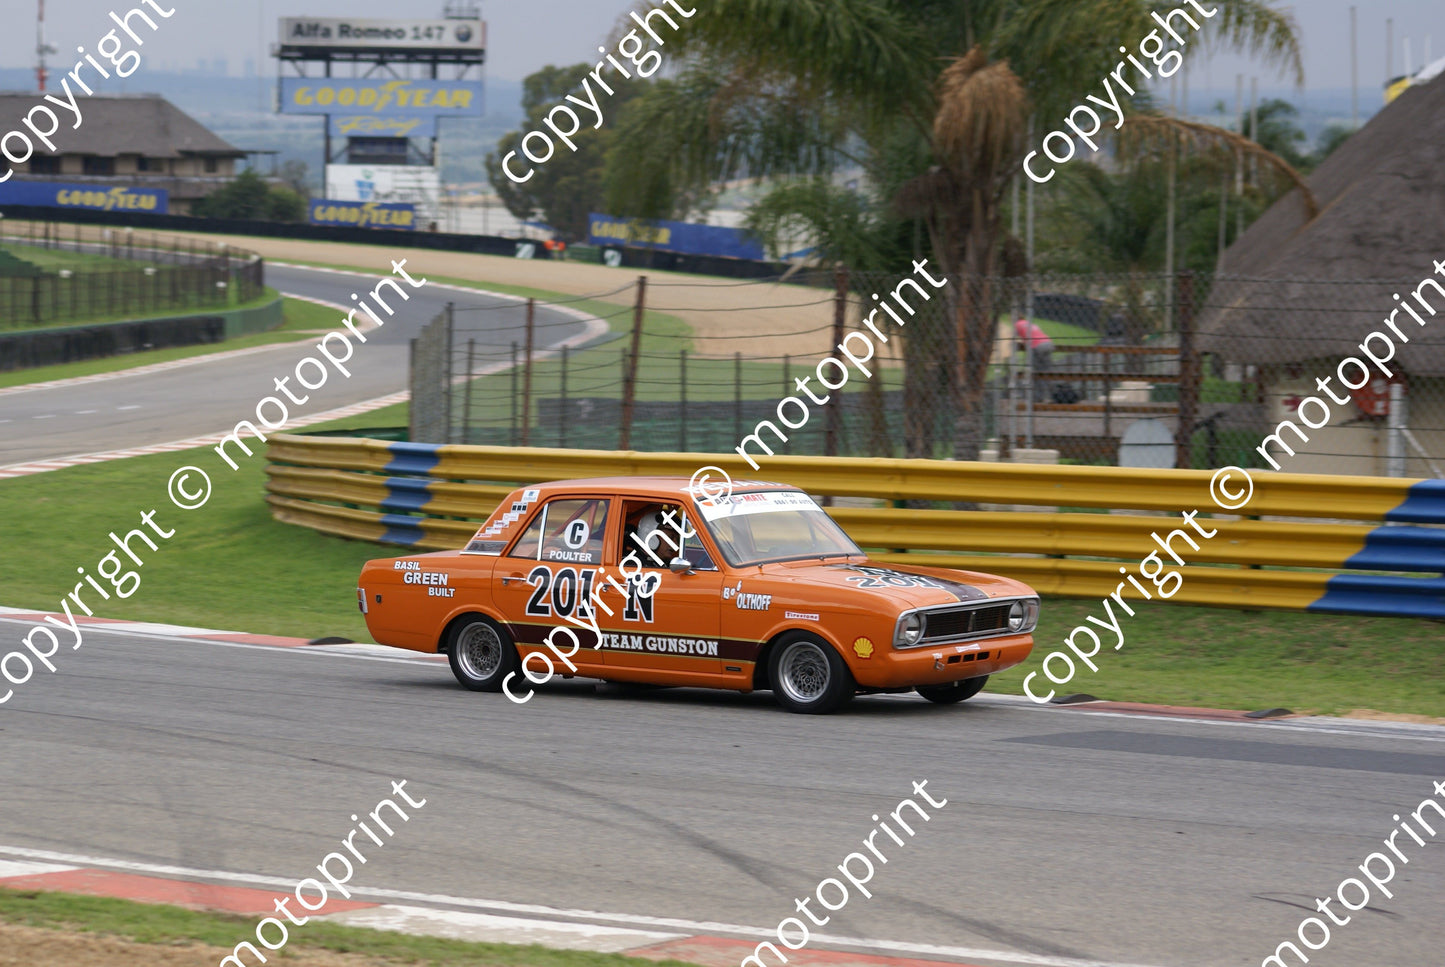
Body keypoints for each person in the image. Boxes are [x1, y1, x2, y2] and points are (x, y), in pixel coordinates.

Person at [1014, 318, 1053, 401]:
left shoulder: (1017, 324)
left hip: (1036, 346)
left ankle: (1036, 397)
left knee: (1034, 372)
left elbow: (1013, 338)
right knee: (1046, 371)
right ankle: (1048, 396)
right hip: (1048, 343)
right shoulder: (1030, 323)